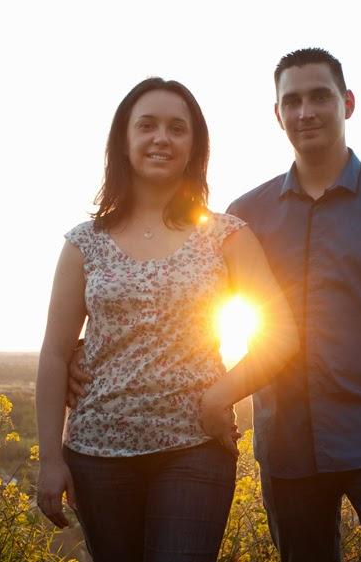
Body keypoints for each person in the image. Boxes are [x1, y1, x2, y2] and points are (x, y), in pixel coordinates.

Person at [69, 48, 361, 562]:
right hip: (287, 454)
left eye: (319, 97)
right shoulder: (245, 215)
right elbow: (177, 308)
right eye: (292, 101)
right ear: (278, 114)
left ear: (347, 103)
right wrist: (85, 350)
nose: (306, 112)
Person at [35, 77, 298, 561]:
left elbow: (281, 337)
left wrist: (221, 395)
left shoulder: (227, 235)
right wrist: (50, 459)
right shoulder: (83, 243)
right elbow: (54, 354)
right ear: (124, 140)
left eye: (178, 128)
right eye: (147, 125)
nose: (162, 138)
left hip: (194, 449)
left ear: (195, 146)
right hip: (97, 454)